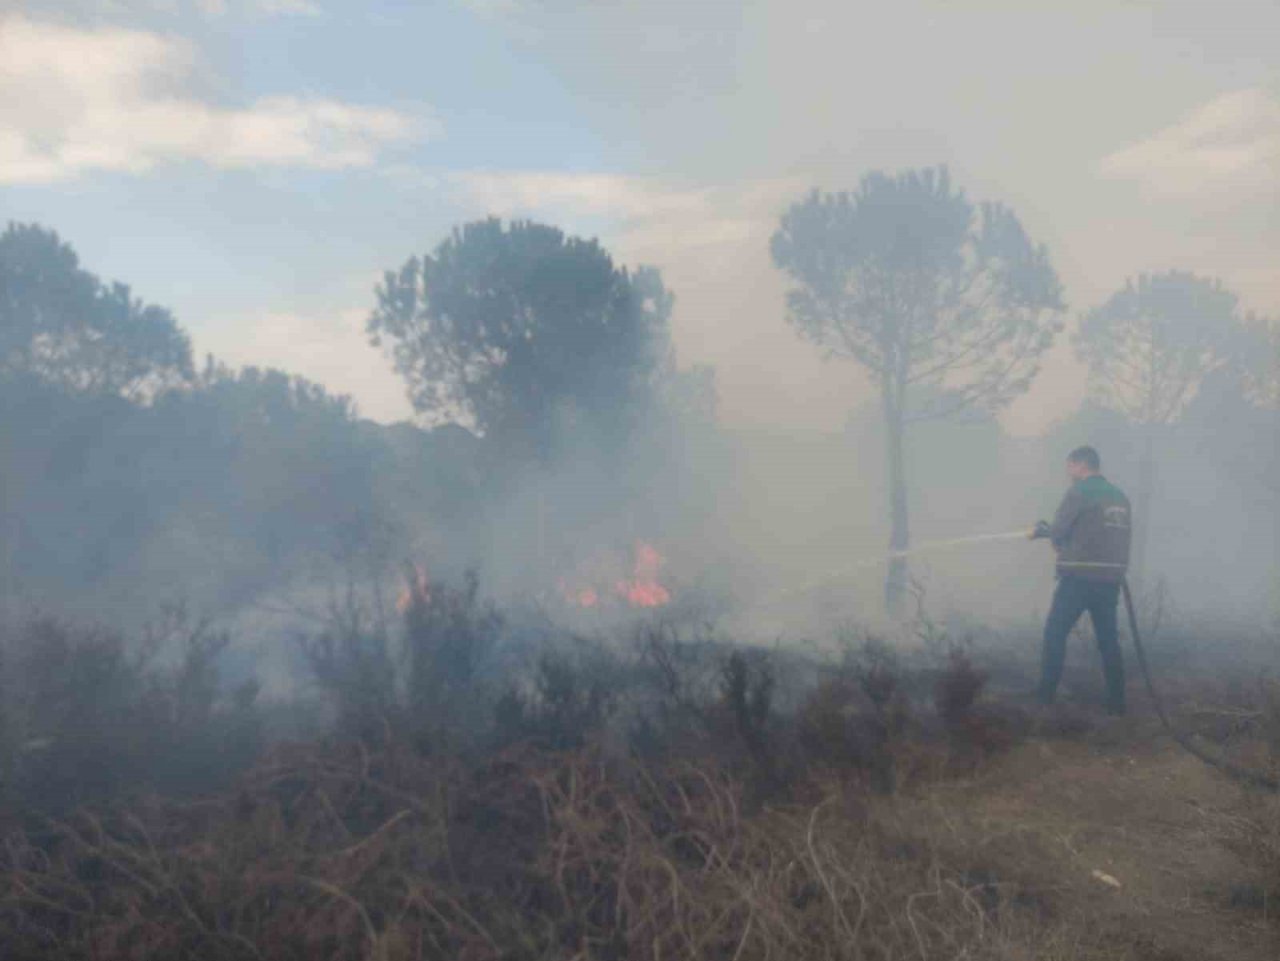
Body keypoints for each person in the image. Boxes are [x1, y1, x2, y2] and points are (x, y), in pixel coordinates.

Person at [1030, 446, 1132, 714]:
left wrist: (1047, 533)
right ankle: (1117, 702)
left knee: (1055, 632)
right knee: (1108, 640)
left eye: (1070, 467)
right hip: (1110, 579)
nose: (1068, 473)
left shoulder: (1079, 492)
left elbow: (1061, 531)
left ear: (1080, 465)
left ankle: (1044, 695)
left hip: (1078, 578)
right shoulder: (1119, 496)